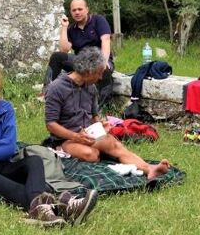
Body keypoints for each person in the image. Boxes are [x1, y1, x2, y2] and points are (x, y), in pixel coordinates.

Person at [0, 60, 98, 227]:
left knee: (35, 161)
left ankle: (45, 209)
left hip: (1, 165)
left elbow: (8, 148)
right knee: (13, 189)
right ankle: (63, 206)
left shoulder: (5, 108)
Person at [44, 47, 170, 180]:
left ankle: (149, 168)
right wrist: (75, 136)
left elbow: (93, 117)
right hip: (65, 140)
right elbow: (51, 124)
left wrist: (100, 125)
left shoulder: (91, 88)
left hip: (88, 135)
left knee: (113, 143)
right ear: (88, 71)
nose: (100, 77)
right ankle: (89, 152)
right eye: (99, 73)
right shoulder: (56, 88)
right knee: (92, 155)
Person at [43, 0, 115, 103]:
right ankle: (46, 93)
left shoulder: (98, 20)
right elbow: (64, 49)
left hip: (101, 59)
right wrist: (64, 28)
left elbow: (106, 40)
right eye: (74, 10)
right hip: (81, 62)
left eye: (80, 9)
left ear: (87, 9)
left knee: (105, 71)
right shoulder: (71, 29)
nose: (77, 12)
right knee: (57, 56)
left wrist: (103, 61)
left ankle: (101, 107)